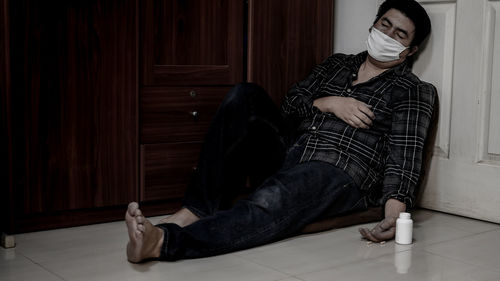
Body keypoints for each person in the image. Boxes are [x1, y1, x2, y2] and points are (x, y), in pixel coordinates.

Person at [125, 0, 436, 262]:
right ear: (373, 25)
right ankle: (194, 209)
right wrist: (327, 103)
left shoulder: (412, 90)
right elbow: (290, 104)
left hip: (338, 169)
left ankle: (163, 242)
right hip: (291, 151)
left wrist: (395, 212)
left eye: (400, 34)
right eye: (385, 24)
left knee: (272, 199)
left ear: (409, 50)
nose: (388, 35)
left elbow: (405, 152)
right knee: (243, 96)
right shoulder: (337, 64)